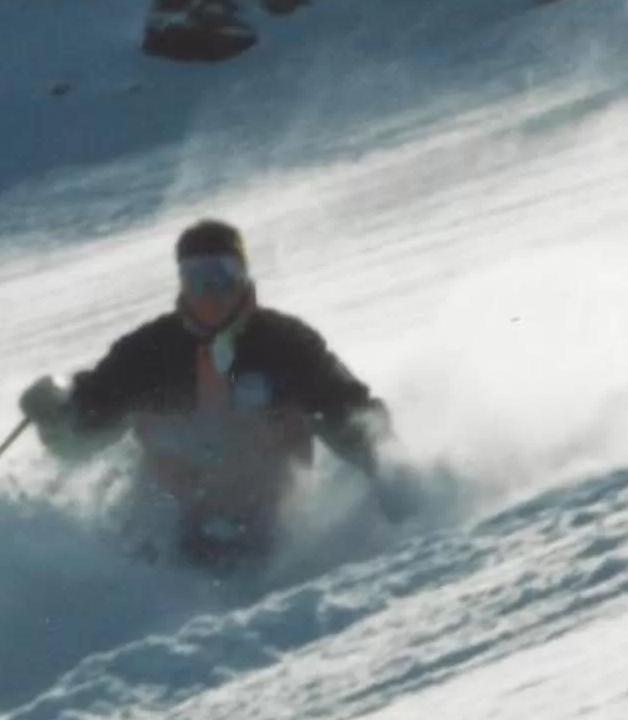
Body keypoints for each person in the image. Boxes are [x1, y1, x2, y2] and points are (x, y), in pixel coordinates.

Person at [20, 218, 390, 571]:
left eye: (223, 275)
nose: (211, 292)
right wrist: (56, 413)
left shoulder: (286, 345)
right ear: (182, 283)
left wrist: (390, 471)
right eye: (197, 278)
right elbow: (84, 428)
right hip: (167, 537)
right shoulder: (150, 352)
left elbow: (346, 411)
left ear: (243, 277)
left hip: (269, 530)